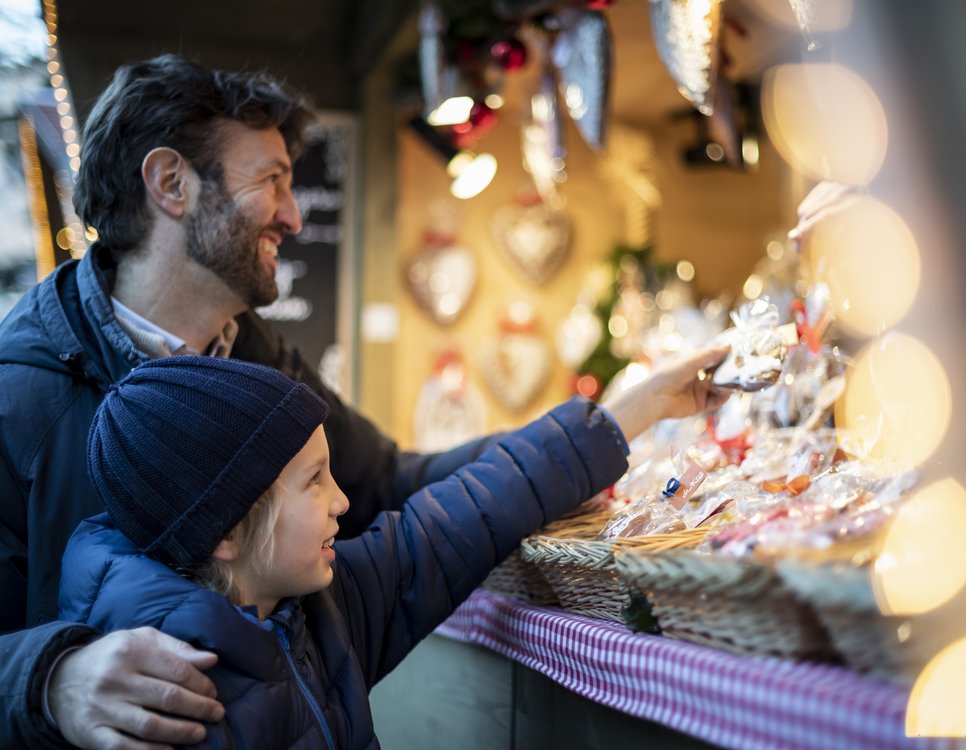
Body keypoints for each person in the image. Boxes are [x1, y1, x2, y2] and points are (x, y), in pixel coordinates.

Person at [0, 52, 729, 748]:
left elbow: (392, 489)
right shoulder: (19, 392)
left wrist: (613, 422)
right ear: (171, 183)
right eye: (273, 180)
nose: (292, 215)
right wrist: (48, 681)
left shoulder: (259, 356)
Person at [57, 354, 723, 749]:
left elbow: (462, 515)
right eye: (314, 481)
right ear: (226, 531)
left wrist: (631, 411)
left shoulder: (316, 607)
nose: (343, 501)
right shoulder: (156, 708)